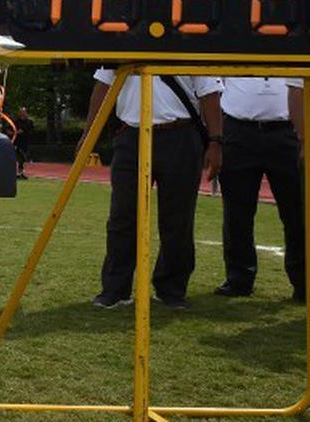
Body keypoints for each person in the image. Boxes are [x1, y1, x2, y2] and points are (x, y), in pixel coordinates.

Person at [82, 69, 223, 309]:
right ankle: (115, 289)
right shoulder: (120, 42)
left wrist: (216, 141)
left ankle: (172, 289)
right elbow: (102, 87)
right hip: (132, 135)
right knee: (122, 216)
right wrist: (88, 134)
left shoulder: (190, 44)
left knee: (178, 218)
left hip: (179, 133)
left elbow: (209, 93)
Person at [214, 77, 304, 301]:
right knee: (237, 213)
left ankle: (303, 281)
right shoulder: (233, 42)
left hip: (287, 130)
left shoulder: (294, 43)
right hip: (239, 128)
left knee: (298, 212)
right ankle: (239, 279)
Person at [13, 106, 35, 179]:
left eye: (24, 112)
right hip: (17, 142)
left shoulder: (30, 122)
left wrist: (24, 132)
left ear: (26, 113)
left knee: (24, 158)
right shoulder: (15, 122)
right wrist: (16, 132)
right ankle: (20, 172)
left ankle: (20, 172)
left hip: (26, 142)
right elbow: (9, 130)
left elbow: (32, 132)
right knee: (20, 157)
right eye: (21, 112)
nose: (22, 114)